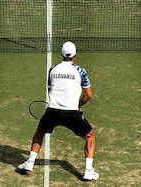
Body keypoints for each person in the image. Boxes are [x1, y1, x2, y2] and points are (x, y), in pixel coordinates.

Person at [18, 41, 99, 181]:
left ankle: (30, 162)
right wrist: (78, 104)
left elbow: (50, 91)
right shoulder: (81, 71)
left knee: (39, 132)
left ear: (61, 54)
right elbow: (89, 95)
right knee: (90, 136)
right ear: (75, 55)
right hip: (72, 113)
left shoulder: (53, 69)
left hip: (52, 111)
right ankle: (88, 171)